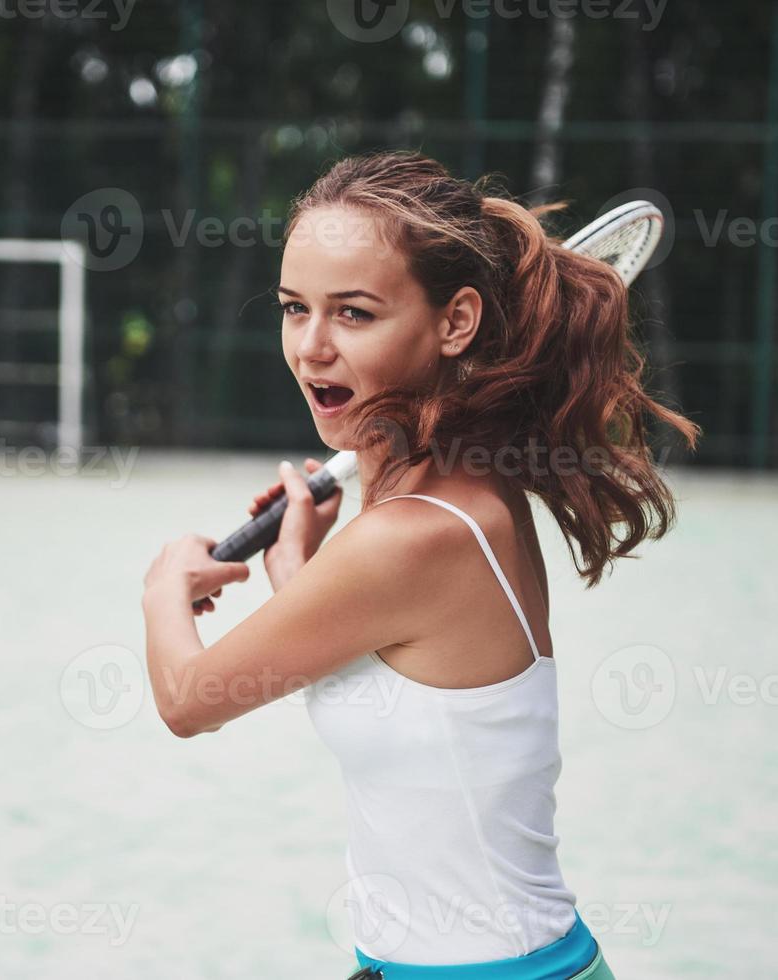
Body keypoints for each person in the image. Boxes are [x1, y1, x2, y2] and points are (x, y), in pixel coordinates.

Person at [140, 151, 698, 978]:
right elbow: (386, 669)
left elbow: (190, 701)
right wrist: (296, 561)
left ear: (456, 321)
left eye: (355, 315)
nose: (311, 347)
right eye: (295, 309)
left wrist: (163, 587)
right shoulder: (454, 498)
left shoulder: (415, 535)